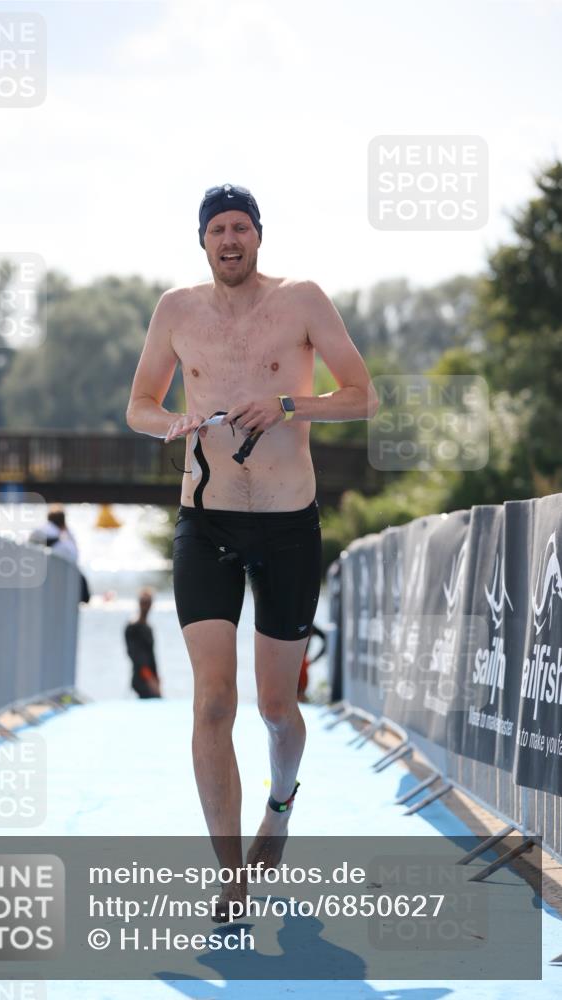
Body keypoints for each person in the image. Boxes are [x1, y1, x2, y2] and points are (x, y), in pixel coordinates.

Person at [126, 183, 378, 920]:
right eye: (216, 230)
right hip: (204, 522)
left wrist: (291, 404)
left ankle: (280, 805)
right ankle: (229, 874)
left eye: (240, 228)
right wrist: (168, 423)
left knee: (275, 705)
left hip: (286, 523)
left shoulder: (301, 300)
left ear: (258, 236)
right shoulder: (175, 310)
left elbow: (361, 394)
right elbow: (138, 404)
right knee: (212, 701)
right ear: (201, 241)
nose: (228, 240)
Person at [29, 504, 90, 603]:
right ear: (63, 522)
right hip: (62, 584)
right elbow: (75, 556)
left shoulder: (38, 532)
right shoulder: (65, 540)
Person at [124, 587, 162, 699]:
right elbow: (137, 657)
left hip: (149, 677)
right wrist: (151, 680)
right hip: (142, 679)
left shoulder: (147, 627)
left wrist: (156, 678)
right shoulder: (133, 627)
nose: (146, 606)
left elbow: (151, 656)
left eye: (148, 602)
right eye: (144, 602)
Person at [297, 622, 327, 703]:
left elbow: (325, 639)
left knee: (300, 689)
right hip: (295, 659)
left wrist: (315, 659)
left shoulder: (310, 625)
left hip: (302, 660)